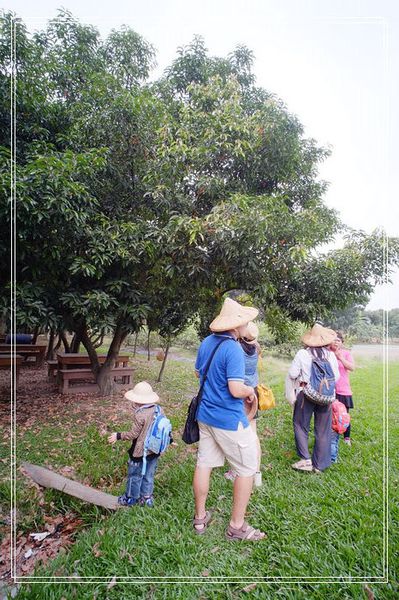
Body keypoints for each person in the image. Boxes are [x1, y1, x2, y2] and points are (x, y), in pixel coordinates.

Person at [193, 298, 266, 541]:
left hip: (204, 415)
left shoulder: (206, 342)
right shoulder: (233, 348)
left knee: (204, 463)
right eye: (245, 321)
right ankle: (237, 526)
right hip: (228, 419)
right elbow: (235, 389)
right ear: (236, 325)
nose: (248, 325)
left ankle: (200, 518)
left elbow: (198, 372)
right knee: (247, 468)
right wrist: (249, 391)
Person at [288, 323, 340, 473]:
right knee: (323, 429)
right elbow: (336, 377)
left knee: (300, 425)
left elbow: (292, 374)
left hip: (306, 394)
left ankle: (305, 459)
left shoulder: (303, 354)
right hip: (326, 396)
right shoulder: (330, 355)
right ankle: (320, 465)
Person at [108, 381, 166, 507]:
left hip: (140, 452)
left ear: (137, 401)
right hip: (154, 450)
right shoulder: (158, 410)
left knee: (134, 475)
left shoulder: (140, 415)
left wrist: (118, 435)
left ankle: (131, 498)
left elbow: (133, 434)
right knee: (149, 475)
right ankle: (146, 498)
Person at [224, 321, 263, 487]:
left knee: (238, 433)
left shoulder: (236, 349)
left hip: (241, 392)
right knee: (253, 433)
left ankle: (236, 470)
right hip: (253, 392)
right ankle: (257, 471)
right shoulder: (256, 349)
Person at [330, 331, 355, 452]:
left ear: (342, 342)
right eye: (334, 339)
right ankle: (331, 436)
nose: (335, 342)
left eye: (338, 340)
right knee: (330, 415)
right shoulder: (327, 353)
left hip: (344, 390)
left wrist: (340, 358)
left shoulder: (346, 353)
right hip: (330, 390)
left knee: (343, 415)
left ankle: (347, 438)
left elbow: (352, 367)